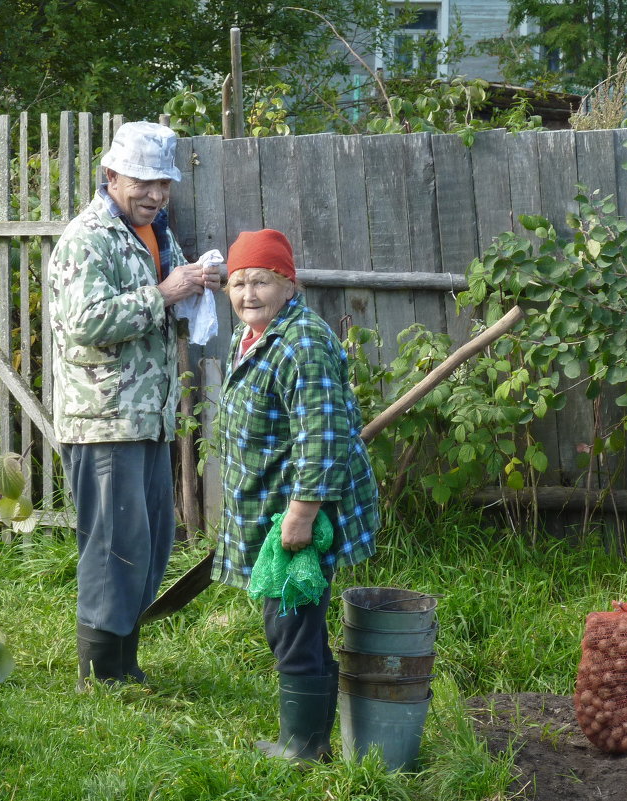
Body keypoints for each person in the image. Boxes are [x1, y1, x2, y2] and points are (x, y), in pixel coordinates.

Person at [48, 120, 221, 688]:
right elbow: (84, 323)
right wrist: (164, 293)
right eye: (143, 182)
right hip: (103, 418)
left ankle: (124, 662)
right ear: (112, 175)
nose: (155, 195)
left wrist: (196, 282)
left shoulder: (155, 234)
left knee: (147, 543)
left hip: (148, 415)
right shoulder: (88, 238)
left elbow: (163, 301)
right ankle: (98, 675)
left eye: (163, 185)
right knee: (113, 545)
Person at [212, 228, 380, 762]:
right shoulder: (261, 336)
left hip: (296, 511)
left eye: (261, 281)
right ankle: (310, 738)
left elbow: (321, 435)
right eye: (238, 284)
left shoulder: (300, 345)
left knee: (292, 620)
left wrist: (301, 514)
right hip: (271, 505)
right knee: (292, 617)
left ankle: (305, 746)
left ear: (289, 283)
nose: (248, 294)